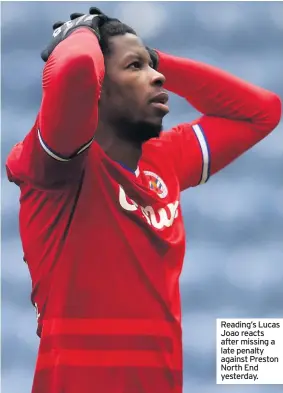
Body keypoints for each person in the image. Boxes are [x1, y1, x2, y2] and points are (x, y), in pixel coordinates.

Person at [6, 7, 281, 393]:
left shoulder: (164, 161)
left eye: (151, 66)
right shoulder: (58, 170)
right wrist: (80, 34)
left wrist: (156, 58)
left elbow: (261, 112)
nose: (157, 77)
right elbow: (74, 69)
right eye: (135, 67)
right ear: (99, 86)